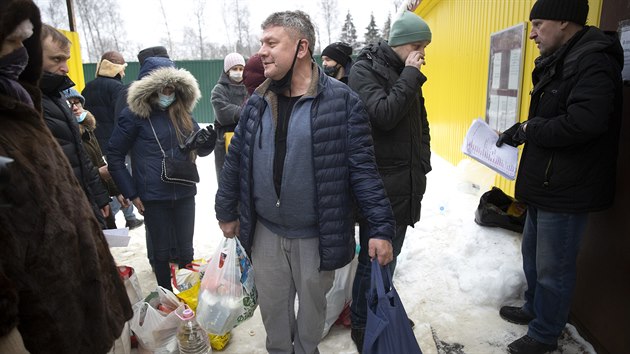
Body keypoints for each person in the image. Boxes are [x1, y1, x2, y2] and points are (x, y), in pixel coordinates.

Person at [215, 10, 395, 354]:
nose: (261, 51)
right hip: (266, 231)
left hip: (317, 234)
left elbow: (364, 171)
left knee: (313, 314)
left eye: (271, 43)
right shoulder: (257, 101)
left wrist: (381, 229)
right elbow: (236, 160)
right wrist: (226, 209)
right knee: (274, 316)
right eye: (261, 42)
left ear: (301, 48)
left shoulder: (342, 103)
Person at [0, 1, 132, 352]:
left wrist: (97, 199)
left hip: (75, 270)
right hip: (41, 303)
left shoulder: (38, 101)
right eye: (14, 44)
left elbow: (70, 162)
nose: (19, 56)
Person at [495, 0, 623, 353]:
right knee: (534, 255)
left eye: (538, 23)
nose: (532, 33)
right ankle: (536, 309)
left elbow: (585, 122)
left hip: (568, 187)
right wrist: (520, 131)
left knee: (554, 267)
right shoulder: (562, 59)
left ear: (564, 21)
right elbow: (554, 114)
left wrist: (531, 129)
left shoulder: (593, 62)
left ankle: (545, 332)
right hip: (547, 183)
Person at [347, 10, 432, 350]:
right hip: (379, 186)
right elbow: (383, 115)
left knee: (389, 258)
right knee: (375, 260)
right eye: (416, 45)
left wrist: (422, 163)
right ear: (398, 43)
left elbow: (418, 125)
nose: (421, 54)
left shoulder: (403, 72)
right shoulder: (364, 70)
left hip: (404, 181)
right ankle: (363, 323)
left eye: (424, 47)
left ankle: (380, 310)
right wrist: (410, 74)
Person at [108, 56, 215, 291]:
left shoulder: (183, 113)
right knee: (161, 252)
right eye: (163, 89)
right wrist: (132, 193)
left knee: (186, 251)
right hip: (154, 196)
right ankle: (166, 297)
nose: (168, 93)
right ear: (151, 89)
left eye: (172, 89)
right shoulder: (134, 116)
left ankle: (188, 297)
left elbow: (198, 147)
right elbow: (114, 156)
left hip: (185, 191)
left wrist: (208, 142)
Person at [39, 23, 112, 229]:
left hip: (79, 205)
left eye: (66, 59)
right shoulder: (26, 99)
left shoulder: (57, 96)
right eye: (56, 59)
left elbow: (78, 153)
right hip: (55, 215)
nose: (65, 68)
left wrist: (98, 196)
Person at [82, 50, 144, 230]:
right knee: (122, 180)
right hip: (116, 144)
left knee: (112, 182)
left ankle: (130, 217)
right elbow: (122, 118)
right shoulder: (118, 89)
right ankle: (101, 219)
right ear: (117, 69)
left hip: (94, 144)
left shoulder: (88, 87)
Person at [64, 88, 129, 229]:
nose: (75, 108)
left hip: (99, 196)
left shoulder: (87, 128)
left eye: (77, 103)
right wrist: (99, 173)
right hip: (84, 200)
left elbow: (100, 162)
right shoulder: (66, 135)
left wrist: (117, 191)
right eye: (69, 104)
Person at [211, 52, 247, 179]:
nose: (238, 72)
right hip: (225, 141)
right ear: (227, 71)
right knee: (228, 181)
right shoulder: (219, 89)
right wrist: (247, 112)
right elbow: (222, 113)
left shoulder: (249, 87)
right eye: (235, 69)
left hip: (247, 139)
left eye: (241, 69)